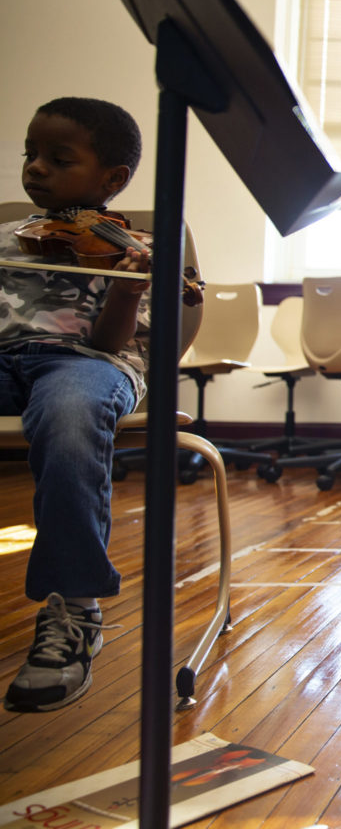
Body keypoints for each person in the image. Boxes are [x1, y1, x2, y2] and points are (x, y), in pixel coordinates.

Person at [3, 97, 151, 712]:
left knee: (69, 421)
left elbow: (110, 343)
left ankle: (75, 605)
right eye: (30, 155)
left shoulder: (132, 246)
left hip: (85, 362)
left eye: (57, 159)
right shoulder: (10, 238)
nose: (36, 168)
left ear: (111, 180)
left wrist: (129, 280)